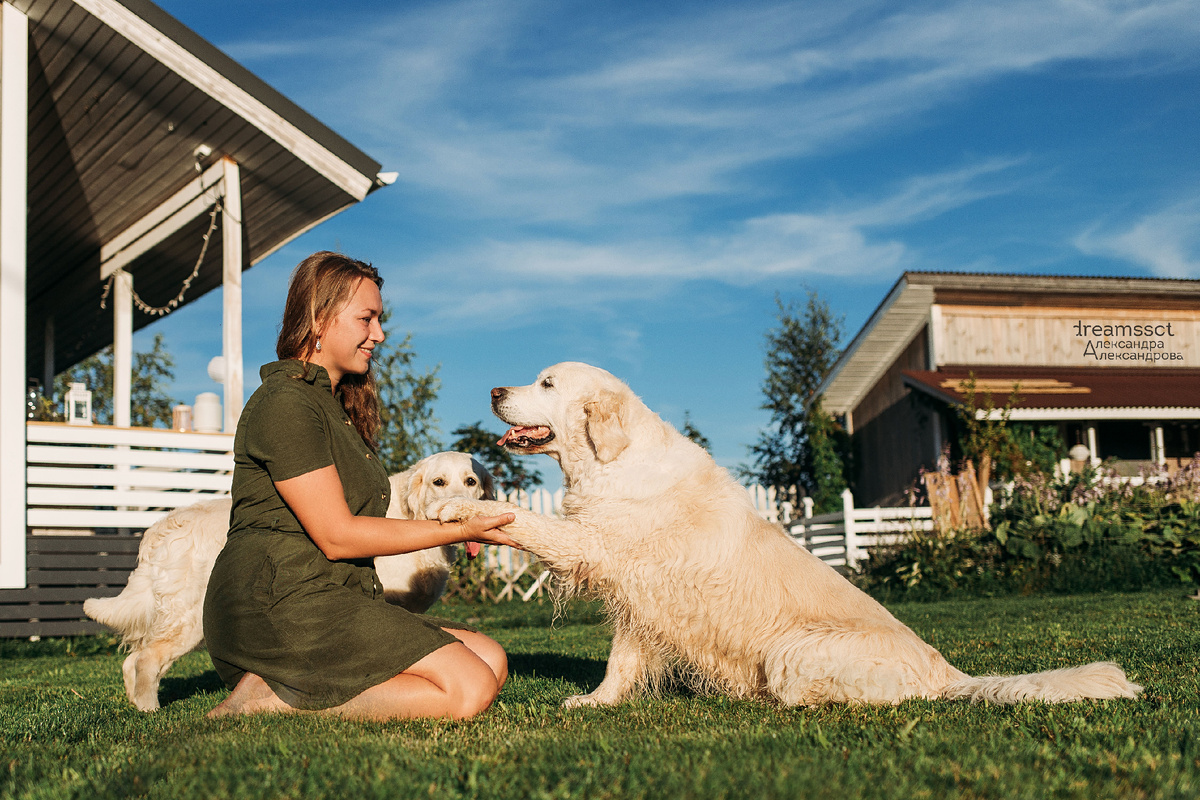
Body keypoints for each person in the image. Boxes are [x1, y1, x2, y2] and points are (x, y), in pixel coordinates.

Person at [203, 251, 517, 720]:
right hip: (278, 606)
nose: (380, 334)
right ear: (318, 319)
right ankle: (268, 699)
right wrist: (461, 529)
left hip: (335, 596)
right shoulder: (286, 404)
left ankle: (305, 687)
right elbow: (338, 535)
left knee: (491, 660)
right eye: (366, 319)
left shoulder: (334, 407)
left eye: (380, 319)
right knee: (468, 689)